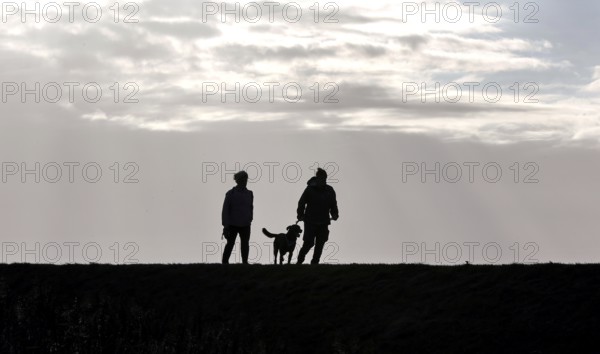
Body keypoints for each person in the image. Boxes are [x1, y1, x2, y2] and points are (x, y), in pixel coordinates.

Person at [296, 168, 339, 264]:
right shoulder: (309, 189)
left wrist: (335, 214)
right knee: (309, 243)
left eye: (325, 178)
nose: (323, 180)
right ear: (317, 178)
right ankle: (300, 260)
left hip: (323, 221)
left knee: (320, 243)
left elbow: (333, 204)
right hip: (310, 221)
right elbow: (302, 202)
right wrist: (300, 214)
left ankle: (315, 263)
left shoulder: (330, 190)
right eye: (321, 178)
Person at [222, 171, 253, 264]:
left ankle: (245, 262)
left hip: (246, 224)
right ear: (238, 180)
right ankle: (225, 262)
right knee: (230, 243)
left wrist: (250, 218)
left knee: (245, 244)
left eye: (246, 179)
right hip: (232, 224)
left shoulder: (249, 193)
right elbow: (225, 210)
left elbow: (251, 207)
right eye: (243, 179)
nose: (245, 181)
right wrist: (225, 225)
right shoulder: (230, 193)